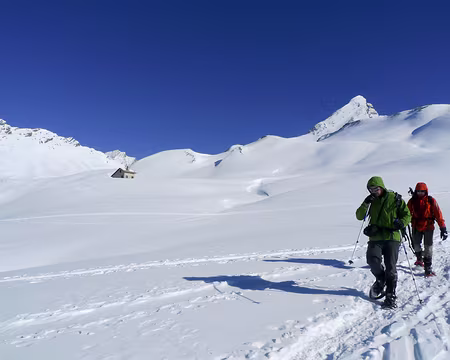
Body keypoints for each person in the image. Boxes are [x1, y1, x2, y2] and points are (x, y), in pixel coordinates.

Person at [356, 176, 411, 309]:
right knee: (372, 260)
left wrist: (401, 223)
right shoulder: (371, 201)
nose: (374, 191)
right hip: (376, 237)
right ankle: (381, 279)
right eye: (371, 189)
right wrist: (365, 203)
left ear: (382, 187)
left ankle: (390, 296)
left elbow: (407, 215)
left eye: (376, 188)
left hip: (392, 237)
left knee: (390, 267)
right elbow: (359, 216)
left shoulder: (395, 198)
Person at [407, 182, 447, 277]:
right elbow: (406, 213)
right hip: (416, 226)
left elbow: (438, 213)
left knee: (428, 247)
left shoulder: (431, 200)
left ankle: (428, 268)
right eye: (418, 191)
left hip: (428, 226)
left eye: (422, 191)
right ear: (416, 191)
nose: (420, 193)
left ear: (426, 191)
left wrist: (443, 227)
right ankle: (419, 259)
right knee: (416, 244)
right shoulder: (412, 201)